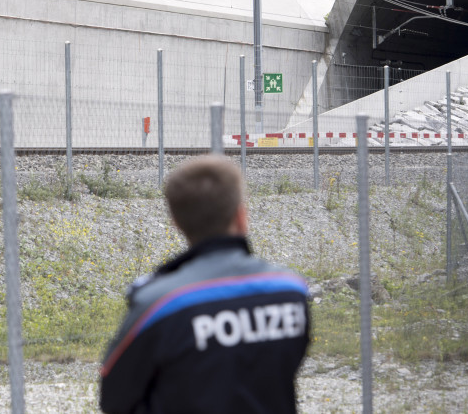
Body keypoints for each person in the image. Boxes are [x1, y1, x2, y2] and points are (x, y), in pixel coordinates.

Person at [99, 156, 310, 414]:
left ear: (177, 223)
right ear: (241, 216)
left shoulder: (158, 306)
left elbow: (114, 398)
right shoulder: (291, 291)